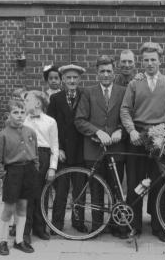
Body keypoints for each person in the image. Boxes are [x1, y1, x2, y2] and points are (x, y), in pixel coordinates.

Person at [120, 42, 165, 242]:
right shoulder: (134, 83)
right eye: (146, 60)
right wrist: (132, 131)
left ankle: (159, 226)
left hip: (159, 139)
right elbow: (125, 109)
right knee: (135, 183)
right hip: (137, 139)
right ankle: (133, 225)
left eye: (153, 59)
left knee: (158, 183)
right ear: (141, 61)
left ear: (159, 60)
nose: (150, 63)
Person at [75, 55, 127, 239]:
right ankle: (97, 227)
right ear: (97, 73)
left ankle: (116, 226)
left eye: (109, 71)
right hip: (93, 150)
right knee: (96, 189)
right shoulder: (88, 93)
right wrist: (97, 132)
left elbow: (128, 116)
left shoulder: (123, 91)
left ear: (114, 73)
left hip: (116, 149)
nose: (106, 75)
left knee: (116, 189)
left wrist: (121, 130)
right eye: (102, 71)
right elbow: (80, 120)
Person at [0, 100, 38, 255]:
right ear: (8, 115)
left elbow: (35, 153)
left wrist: (35, 167)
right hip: (12, 173)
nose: (19, 116)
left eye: (22, 112)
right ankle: (2, 240)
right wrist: (4, 176)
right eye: (15, 112)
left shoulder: (30, 132)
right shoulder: (2, 135)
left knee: (23, 206)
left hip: (28, 171)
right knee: (9, 208)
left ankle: (19, 240)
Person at [47, 64, 87, 234]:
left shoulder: (85, 96)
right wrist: (58, 150)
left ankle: (78, 221)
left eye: (75, 78)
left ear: (80, 79)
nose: (72, 81)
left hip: (80, 151)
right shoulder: (56, 99)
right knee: (61, 190)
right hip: (63, 152)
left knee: (80, 190)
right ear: (62, 79)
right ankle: (57, 224)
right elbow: (51, 126)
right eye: (68, 77)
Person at [23, 90, 59, 243]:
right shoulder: (23, 121)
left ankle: (40, 228)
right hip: (27, 157)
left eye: (27, 101)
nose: (24, 104)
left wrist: (52, 167)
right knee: (27, 195)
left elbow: (54, 146)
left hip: (44, 157)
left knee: (42, 194)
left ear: (37, 103)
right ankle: (25, 230)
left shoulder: (50, 121)